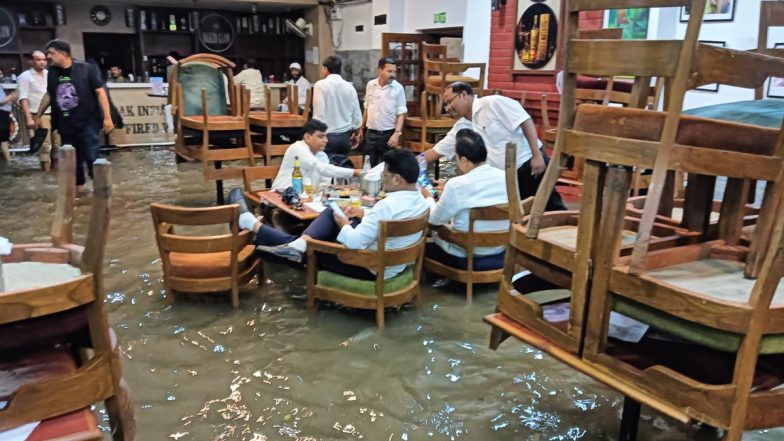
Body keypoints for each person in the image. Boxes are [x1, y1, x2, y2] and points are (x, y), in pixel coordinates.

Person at [228, 149, 429, 279]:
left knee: (320, 236)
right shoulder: (421, 200)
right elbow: (388, 221)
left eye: (384, 176)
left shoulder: (387, 206)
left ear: (396, 180)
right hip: (392, 264)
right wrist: (363, 213)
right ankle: (295, 245)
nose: (382, 180)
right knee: (331, 211)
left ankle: (258, 227)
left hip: (367, 266)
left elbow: (355, 243)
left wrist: (343, 223)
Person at [421, 82, 566, 211]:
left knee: (550, 207)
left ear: (463, 95)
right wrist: (413, 162)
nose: (448, 108)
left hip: (529, 164)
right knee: (522, 214)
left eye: (449, 101)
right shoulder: (461, 127)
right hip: (506, 178)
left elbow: (525, 120)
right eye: (445, 105)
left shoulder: (493, 103)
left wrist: (536, 154)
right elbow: (436, 151)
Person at [34, 39, 114, 191]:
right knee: (72, 163)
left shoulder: (86, 69)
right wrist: (38, 115)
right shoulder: (52, 72)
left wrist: (107, 117)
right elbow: (50, 95)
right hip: (65, 125)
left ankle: (102, 193)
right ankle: (80, 196)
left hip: (87, 123)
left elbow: (100, 92)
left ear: (64, 54)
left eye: (51, 53)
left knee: (92, 158)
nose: (48, 57)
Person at [424, 129, 508, 270]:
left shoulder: (457, 185)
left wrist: (429, 199)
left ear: (463, 160)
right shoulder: (506, 177)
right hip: (500, 251)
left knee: (427, 237)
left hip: (465, 255)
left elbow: (434, 221)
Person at [272, 118, 361, 191]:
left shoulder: (322, 156)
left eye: (326, 136)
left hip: (305, 199)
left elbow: (324, 182)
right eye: (320, 136)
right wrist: (354, 172)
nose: (326, 140)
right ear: (307, 137)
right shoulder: (297, 148)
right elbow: (320, 168)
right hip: (281, 195)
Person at [359, 57, 407, 167]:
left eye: (395, 71)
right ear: (380, 70)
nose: (393, 75)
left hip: (388, 135)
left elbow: (401, 113)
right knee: (368, 168)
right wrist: (361, 128)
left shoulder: (398, 88)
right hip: (370, 134)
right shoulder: (371, 85)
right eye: (389, 71)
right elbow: (367, 107)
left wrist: (397, 133)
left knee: (387, 168)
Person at [18, 50, 60, 170]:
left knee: (57, 144)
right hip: (38, 114)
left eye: (44, 59)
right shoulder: (25, 76)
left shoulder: (50, 74)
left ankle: (55, 171)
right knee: (45, 145)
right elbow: (23, 97)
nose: (42, 62)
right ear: (31, 61)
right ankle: (45, 172)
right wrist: (29, 118)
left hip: (55, 112)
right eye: (38, 59)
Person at [312, 56, 362, 158]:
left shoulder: (320, 85)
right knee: (342, 168)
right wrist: (357, 133)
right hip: (345, 138)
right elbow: (356, 114)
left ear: (326, 69)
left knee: (327, 170)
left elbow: (319, 114)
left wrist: (316, 135)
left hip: (327, 137)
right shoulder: (349, 87)